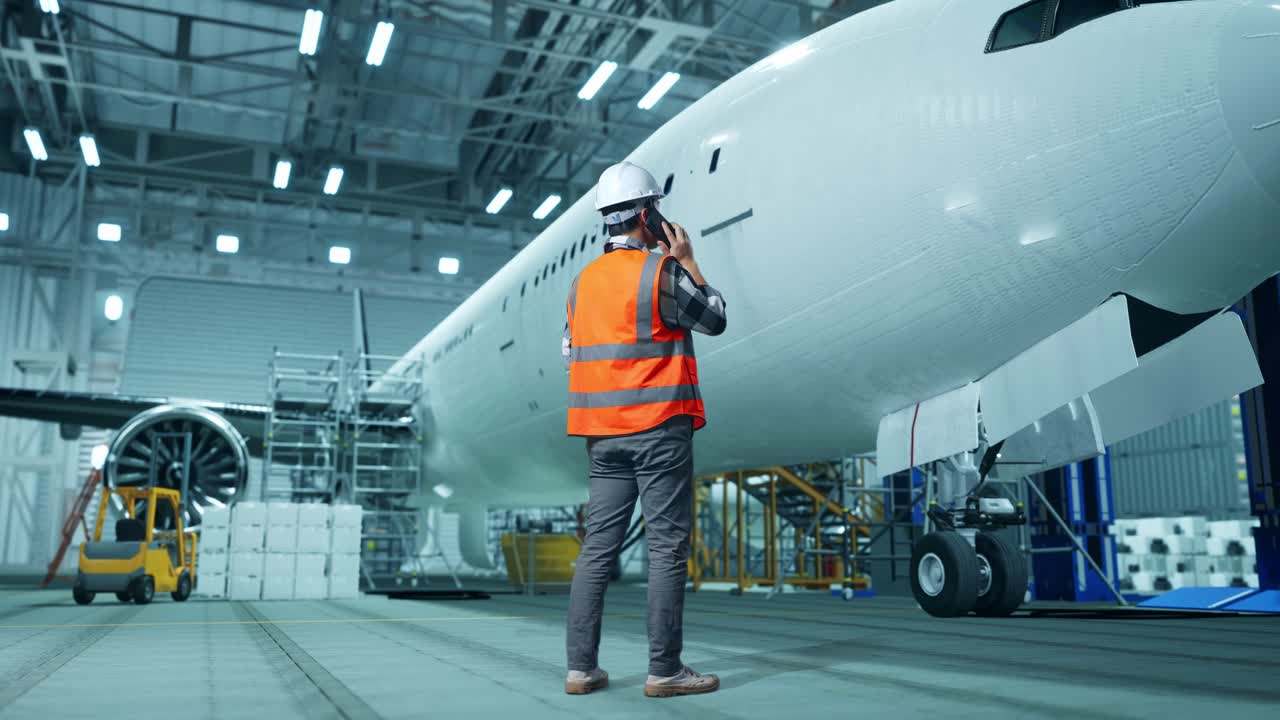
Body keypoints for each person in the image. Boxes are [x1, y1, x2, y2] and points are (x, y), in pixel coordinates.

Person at [562, 160, 727, 698]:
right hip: (658, 429)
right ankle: (664, 670)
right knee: (664, 548)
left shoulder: (580, 285)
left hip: (602, 437)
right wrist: (688, 261)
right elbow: (715, 317)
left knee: (596, 551)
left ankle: (581, 669)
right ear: (647, 214)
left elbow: (572, 351)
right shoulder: (661, 272)